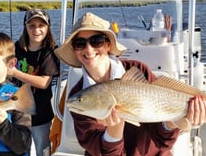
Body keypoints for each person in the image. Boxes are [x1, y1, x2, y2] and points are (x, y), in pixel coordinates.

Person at [53, 12, 206, 156]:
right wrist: (114, 130)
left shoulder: (137, 69)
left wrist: (176, 121)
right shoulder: (78, 97)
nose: (89, 49)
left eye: (96, 41)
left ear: (107, 45)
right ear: (75, 50)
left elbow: (162, 142)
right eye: (80, 43)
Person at [8, 9, 59, 156]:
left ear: (48, 27)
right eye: (32, 25)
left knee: (43, 150)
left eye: (41, 25)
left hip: (40, 114)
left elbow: (44, 82)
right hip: (17, 110)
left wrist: (15, 72)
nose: (36, 30)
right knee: (19, 149)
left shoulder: (50, 51)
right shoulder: (16, 47)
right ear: (25, 27)